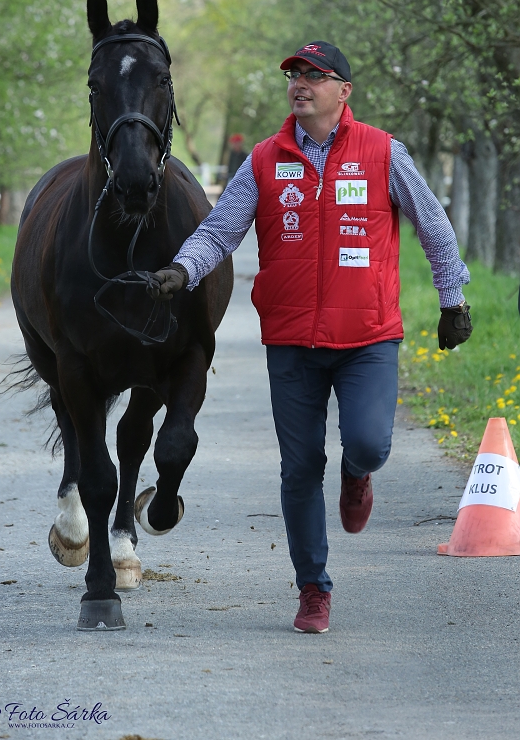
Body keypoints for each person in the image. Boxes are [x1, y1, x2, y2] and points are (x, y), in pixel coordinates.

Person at [150, 41, 473, 634]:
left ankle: (358, 474)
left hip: (367, 337)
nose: (300, 83)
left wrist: (453, 299)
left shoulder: (382, 152)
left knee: (371, 443)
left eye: (314, 75)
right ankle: (312, 588)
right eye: (294, 75)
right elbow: (221, 229)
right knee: (299, 468)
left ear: (343, 91)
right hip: (293, 340)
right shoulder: (266, 160)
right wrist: (184, 268)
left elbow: (432, 221)